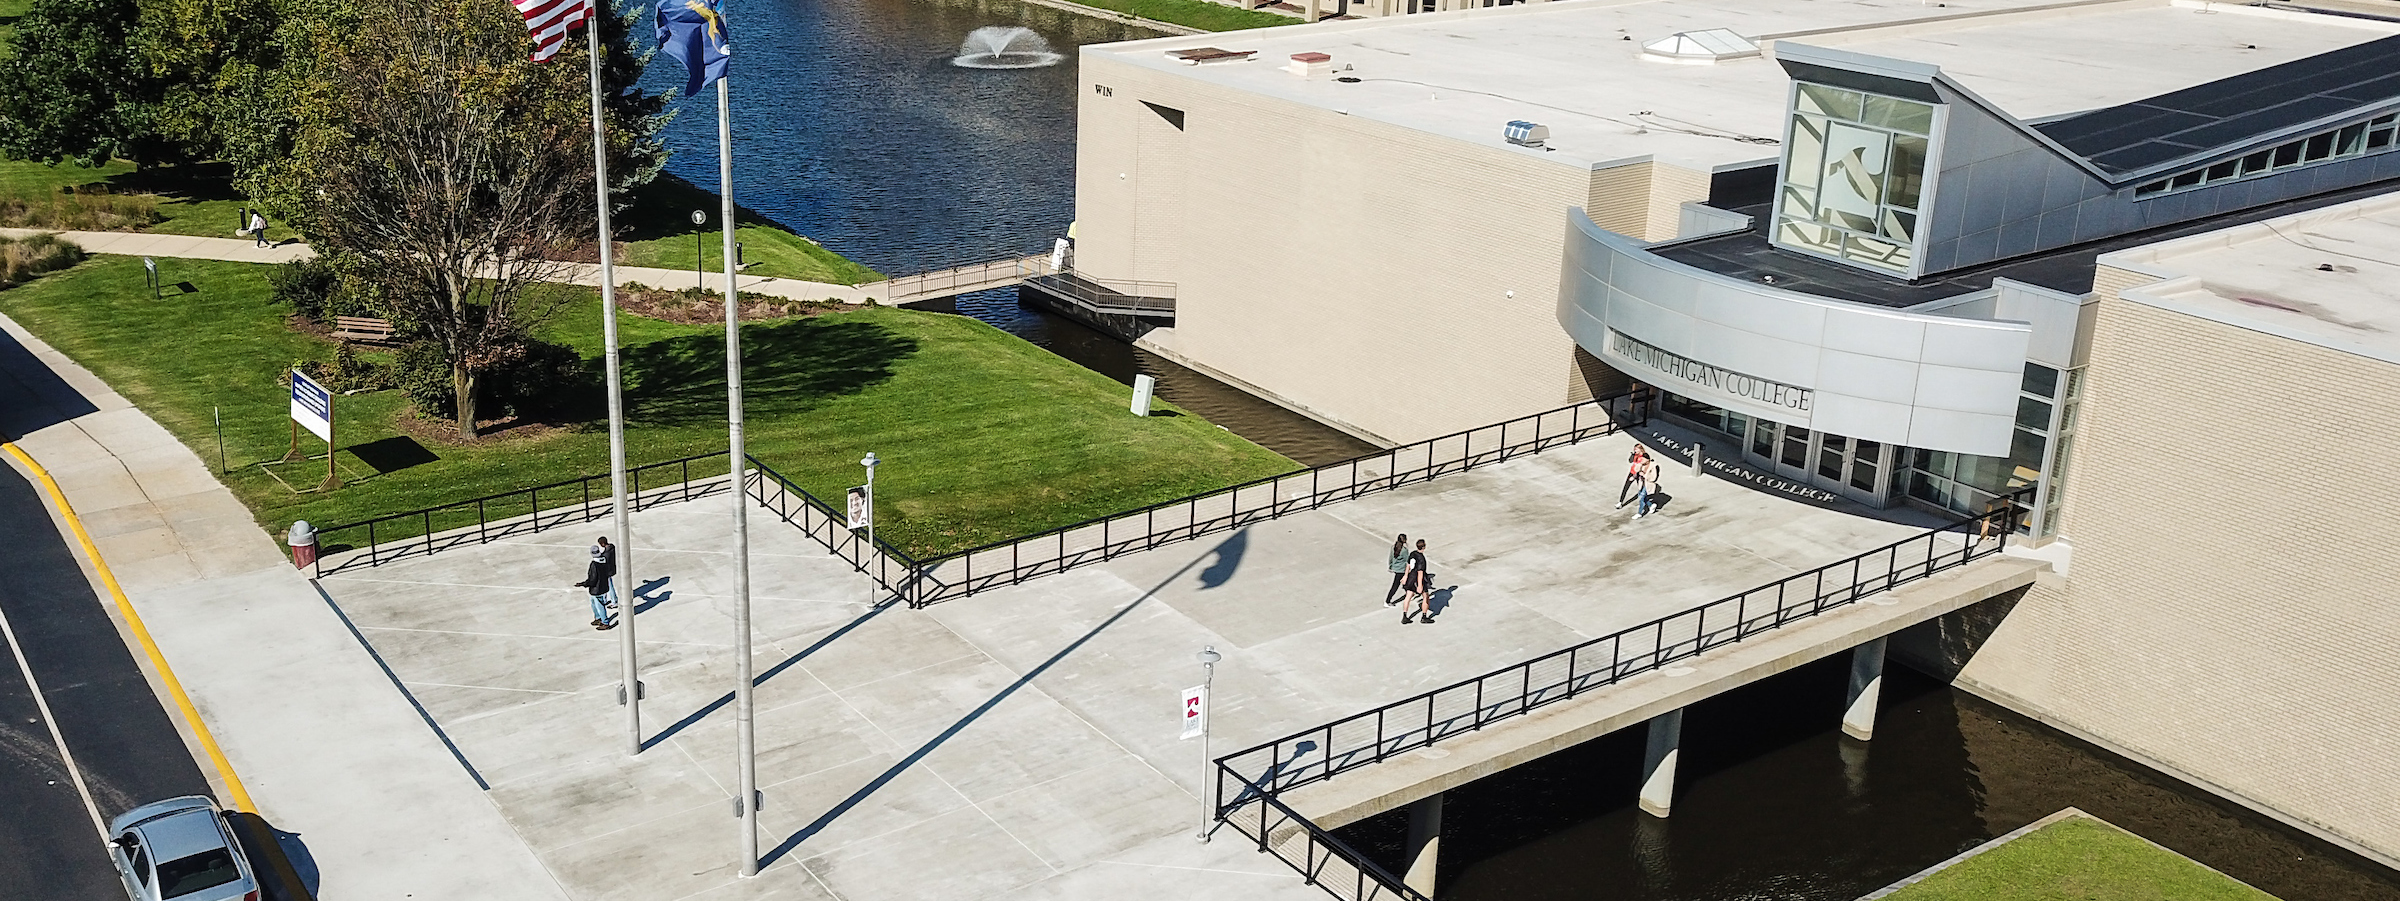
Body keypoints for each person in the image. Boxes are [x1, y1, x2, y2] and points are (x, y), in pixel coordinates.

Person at [575, 537, 618, 630]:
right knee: (594, 603)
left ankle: (605, 622)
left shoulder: (594, 564)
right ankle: (598, 618)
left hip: (597, 588)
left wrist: (583, 584)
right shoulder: (604, 560)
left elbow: (592, 579)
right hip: (603, 586)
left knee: (599, 604)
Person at [1402, 539, 1435, 624]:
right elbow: (1420, 572)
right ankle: (1424, 616)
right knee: (1426, 596)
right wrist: (1420, 585)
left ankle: (1405, 616)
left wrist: (1405, 576)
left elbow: (1408, 565)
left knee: (1408, 596)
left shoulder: (1413, 554)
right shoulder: (1421, 559)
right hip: (1418, 579)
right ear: (1424, 547)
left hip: (1411, 577)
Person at [1382, 533, 1411, 605]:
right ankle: (1387, 601)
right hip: (1402, 569)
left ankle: (1409, 593)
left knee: (1406, 582)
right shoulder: (1404, 550)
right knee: (1396, 585)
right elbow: (1407, 560)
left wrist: (1391, 566)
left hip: (1396, 568)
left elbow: (1390, 558)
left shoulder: (1393, 547)